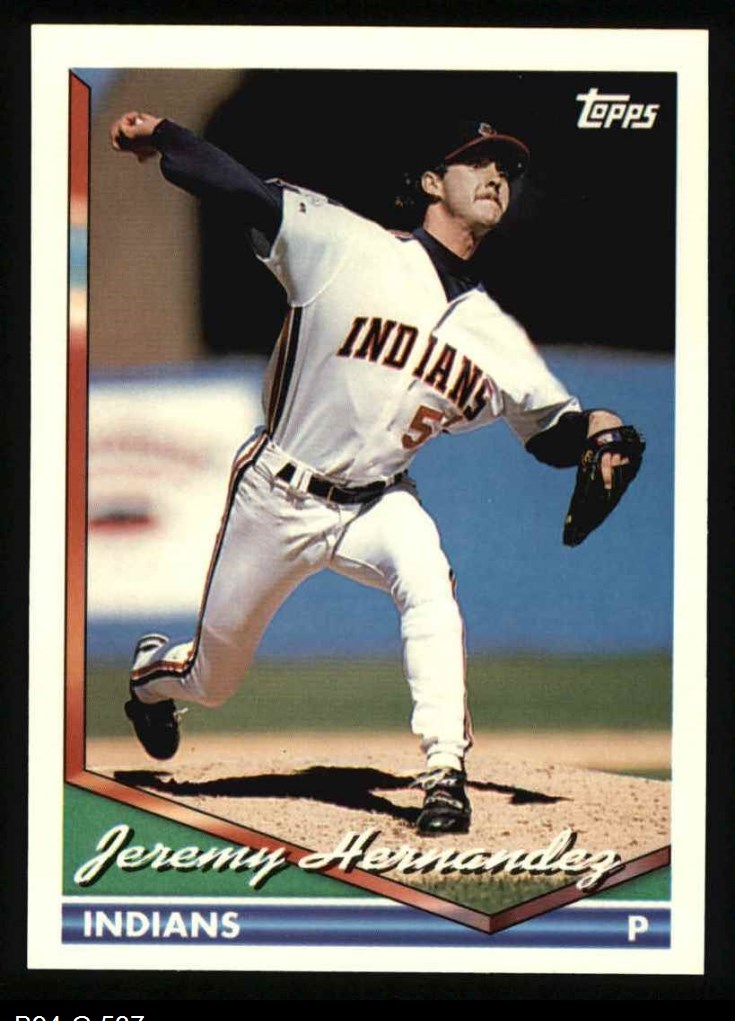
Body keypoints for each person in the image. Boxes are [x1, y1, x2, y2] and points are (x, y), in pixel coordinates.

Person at [110, 110, 628, 836]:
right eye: (478, 161)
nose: (496, 177)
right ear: (430, 182)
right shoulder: (347, 246)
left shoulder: (495, 336)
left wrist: (598, 425)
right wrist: (166, 135)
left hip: (377, 503)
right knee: (213, 681)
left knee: (429, 581)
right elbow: (242, 191)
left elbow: (553, 436)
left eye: (507, 169)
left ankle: (443, 773)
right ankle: (150, 681)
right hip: (278, 493)